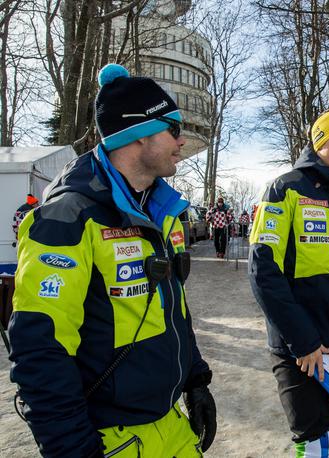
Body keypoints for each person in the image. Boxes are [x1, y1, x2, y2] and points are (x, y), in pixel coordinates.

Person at [8, 64, 216, 457]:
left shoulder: (158, 210)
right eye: (172, 128)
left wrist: (195, 380)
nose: (182, 140)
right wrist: (73, 449)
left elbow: (173, 311)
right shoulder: (66, 218)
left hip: (169, 423)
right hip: (111, 437)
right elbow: (40, 349)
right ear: (137, 135)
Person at [249, 108, 329, 457]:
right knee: (313, 444)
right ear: (320, 142)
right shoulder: (286, 188)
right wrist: (303, 340)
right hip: (301, 351)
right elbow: (263, 272)